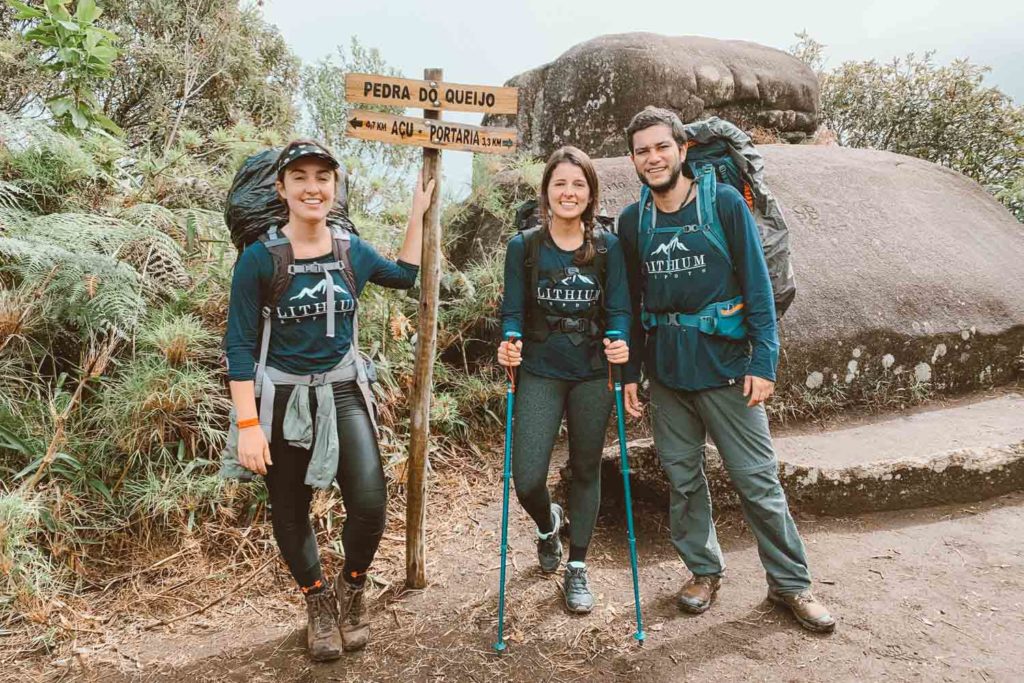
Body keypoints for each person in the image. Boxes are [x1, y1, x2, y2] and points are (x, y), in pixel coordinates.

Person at [616, 108, 836, 633]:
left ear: (682, 149)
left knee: (758, 483)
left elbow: (757, 287)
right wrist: (629, 375)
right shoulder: (633, 221)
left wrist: (765, 360)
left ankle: (790, 584)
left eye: (661, 147)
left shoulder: (725, 203)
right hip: (668, 378)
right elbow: (628, 304)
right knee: (683, 481)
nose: (653, 158)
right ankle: (703, 571)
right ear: (633, 159)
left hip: (729, 372)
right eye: (642, 150)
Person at [223, 139, 435, 660]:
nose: (312, 187)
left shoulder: (349, 252)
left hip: (343, 391)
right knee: (290, 509)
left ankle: (352, 586)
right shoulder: (259, 260)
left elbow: (405, 277)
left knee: (369, 503)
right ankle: (317, 602)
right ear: (282, 189)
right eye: (300, 178)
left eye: (322, 177)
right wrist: (249, 426)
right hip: (283, 397)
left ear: (334, 188)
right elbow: (239, 347)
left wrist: (417, 212)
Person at [497, 146, 631, 614]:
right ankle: (547, 525)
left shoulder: (608, 247)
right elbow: (512, 310)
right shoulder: (525, 246)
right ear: (547, 192)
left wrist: (620, 339)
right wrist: (509, 338)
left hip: (593, 372)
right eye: (561, 184)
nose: (569, 192)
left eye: (578, 184)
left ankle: (577, 567)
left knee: (585, 468)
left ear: (591, 193)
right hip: (540, 371)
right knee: (527, 477)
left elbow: (618, 308)